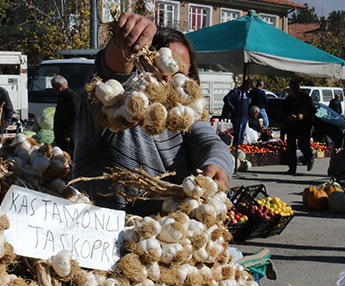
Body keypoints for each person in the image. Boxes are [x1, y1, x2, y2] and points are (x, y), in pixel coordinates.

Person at [70, 12, 233, 210]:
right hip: (98, 233)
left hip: (167, 232)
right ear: (143, 65)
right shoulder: (118, 105)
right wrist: (126, 43)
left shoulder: (184, 115)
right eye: (162, 69)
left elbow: (210, 141)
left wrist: (217, 164)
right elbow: (113, 74)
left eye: (181, 75)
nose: (171, 81)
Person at [283, 79, 316, 174]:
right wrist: (290, 116)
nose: (293, 91)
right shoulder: (288, 100)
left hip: (304, 126)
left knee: (303, 144)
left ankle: (309, 157)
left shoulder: (306, 99)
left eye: (295, 89)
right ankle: (292, 168)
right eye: (292, 89)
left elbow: (312, 111)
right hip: (292, 126)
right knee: (290, 146)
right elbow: (284, 112)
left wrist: (303, 115)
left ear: (298, 89)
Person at [52, 75, 81, 154]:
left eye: (53, 86)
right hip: (62, 136)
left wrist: (69, 133)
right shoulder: (63, 95)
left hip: (68, 137)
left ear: (59, 86)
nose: (53, 89)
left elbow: (75, 115)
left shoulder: (71, 96)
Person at [224, 79, 252, 146]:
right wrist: (233, 107)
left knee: (242, 135)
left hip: (245, 117)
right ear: (245, 85)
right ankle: (235, 148)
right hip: (237, 117)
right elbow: (226, 99)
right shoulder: (236, 92)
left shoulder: (246, 93)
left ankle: (241, 148)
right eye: (248, 86)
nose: (249, 88)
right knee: (237, 135)